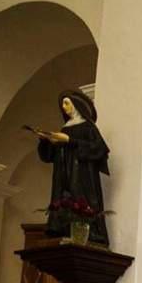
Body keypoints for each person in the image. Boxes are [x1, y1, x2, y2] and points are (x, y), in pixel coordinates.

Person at [34, 90, 111, 245]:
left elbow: (100, 149)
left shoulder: (88, 127)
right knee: (64, 197)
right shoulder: (65, 128)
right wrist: (46, 141)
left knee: (81, 200)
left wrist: (71, 141)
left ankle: (89, 234)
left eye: (66, 103)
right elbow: (50, 156)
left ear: (77, 105)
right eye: (62, 104)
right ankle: (62, 229)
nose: (63, 107)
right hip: (63, 174)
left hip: (82, 175)